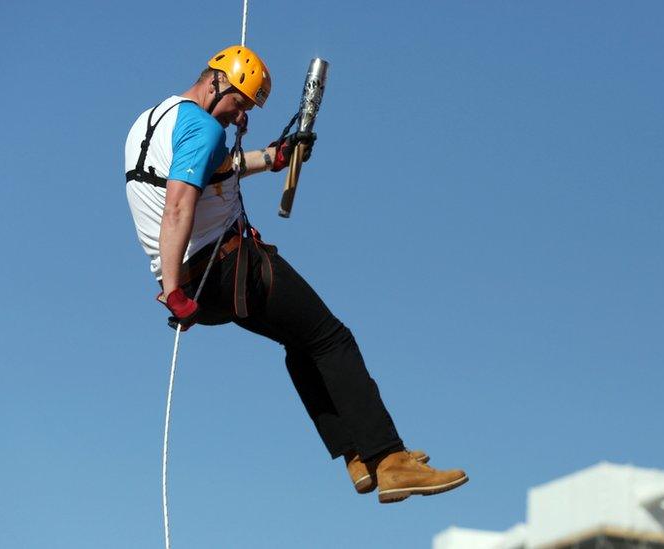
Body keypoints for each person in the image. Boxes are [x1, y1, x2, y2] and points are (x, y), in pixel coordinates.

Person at [124, 45, 467, 504]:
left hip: (200, 284)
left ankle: (357, 456)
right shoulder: (203, 126)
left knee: (303, 342)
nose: (237, 116)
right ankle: (388, 458)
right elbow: (179, 205)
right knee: (332, 338)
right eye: (238, 104)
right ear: (217, 81)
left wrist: (271, 158)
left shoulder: (152, 122)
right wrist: (172, 292)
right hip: (225, 270)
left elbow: (209, 174)